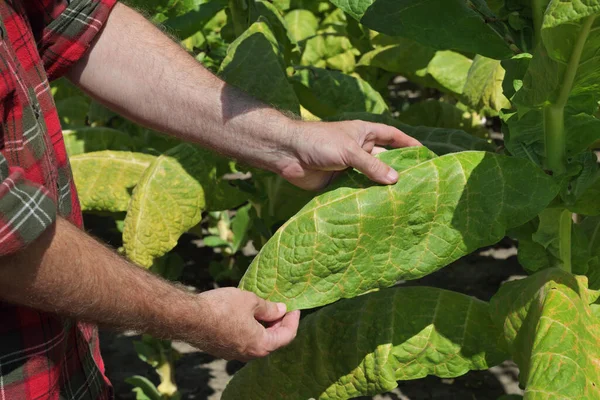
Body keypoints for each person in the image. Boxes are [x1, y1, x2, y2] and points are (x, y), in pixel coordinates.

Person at [0, 1, 420, 399]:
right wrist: (195, 318)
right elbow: (9, 241)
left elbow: (77, 23)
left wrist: (289, 142)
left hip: (63, 362)